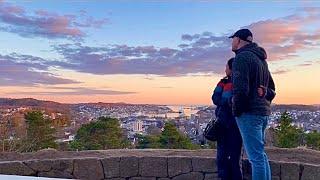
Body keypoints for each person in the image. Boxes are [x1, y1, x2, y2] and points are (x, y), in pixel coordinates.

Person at [229, 29, 276, 180]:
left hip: (249, 113)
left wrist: (236, 110)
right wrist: (263, 93)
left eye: (233, 39)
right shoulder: (261, 60)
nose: (232, 42)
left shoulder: (242, 58)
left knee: (255, 158)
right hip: (263, 112)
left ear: (239, 40)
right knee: (260, 155)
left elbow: (241, 90)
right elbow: (272, 89)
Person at [212, 58, 243, 180]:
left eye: (226, 67)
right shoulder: (222, 82)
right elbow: (215, 98)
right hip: (225, 123)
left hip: (233, 123)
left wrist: (225, 101)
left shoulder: (238, 83)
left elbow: (219, 99)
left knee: (232, 157)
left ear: (231, 69)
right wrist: (228, 101)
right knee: (224, 156)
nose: (225, 69)